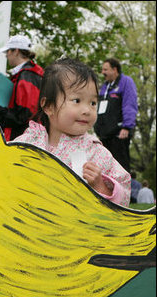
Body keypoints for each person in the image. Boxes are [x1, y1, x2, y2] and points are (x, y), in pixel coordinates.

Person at [13, 58, 131, 207]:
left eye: (93, 103)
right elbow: (4, 174)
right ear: (48, 106)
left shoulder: (96, 153)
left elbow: (125, 195)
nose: (87, 110)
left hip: (75, 228)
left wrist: (100, 185)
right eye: (76, 100)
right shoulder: (27, 143)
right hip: (29, 224)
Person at [0, 35, 43, 142]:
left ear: (16, 51)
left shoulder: (28, 75)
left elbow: (25, 116)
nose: (6, 55)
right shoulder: (26, 74)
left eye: (8, 51)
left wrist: (0, 111)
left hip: (24, 139)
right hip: (25, 137)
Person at [93, 58, 138, 172]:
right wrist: (97, 129)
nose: (103, 72)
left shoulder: (126, 82)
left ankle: (124, 190)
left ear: (115, 69)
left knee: (120, 167)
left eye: (105, 69)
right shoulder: (104, 87)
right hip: (105, 135)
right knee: (105, 168)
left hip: (119, 134)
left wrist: (126, 127)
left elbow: (130, 104)